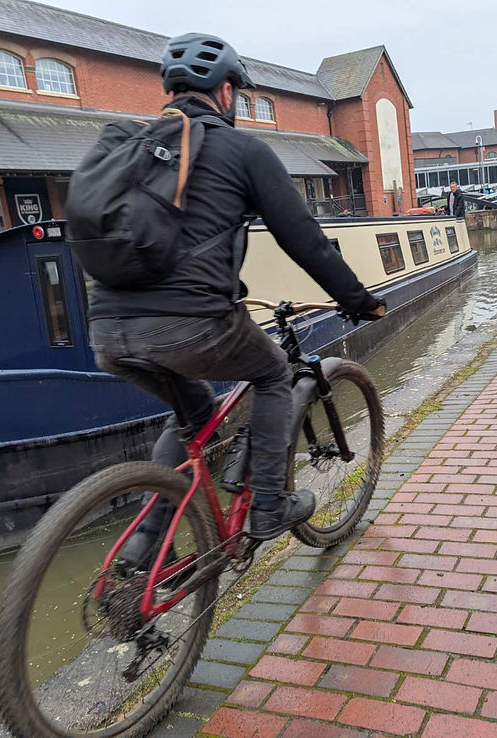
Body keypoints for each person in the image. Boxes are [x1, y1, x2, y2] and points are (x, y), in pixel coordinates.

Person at [85, 33, 385, 567]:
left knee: (195, 417)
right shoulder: (243, 150)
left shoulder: (132, 146)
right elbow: (305, 240)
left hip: (108, 329)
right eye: (238, 95)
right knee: (271, 373)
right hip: (192, 323)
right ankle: (270, 503)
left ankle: (146, 541)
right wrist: (359, 299)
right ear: (225, 92)